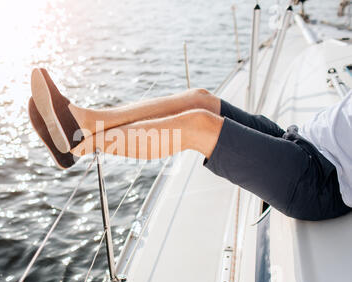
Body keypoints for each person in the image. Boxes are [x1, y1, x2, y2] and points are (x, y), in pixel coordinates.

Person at [28, 68, 352, 221]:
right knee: (200, 100)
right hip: (303, 138)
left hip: (322, 181)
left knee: (199, 125)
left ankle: (80, 146)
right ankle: (84, 121)